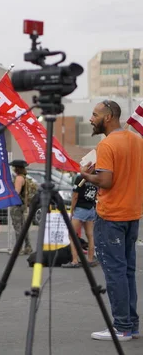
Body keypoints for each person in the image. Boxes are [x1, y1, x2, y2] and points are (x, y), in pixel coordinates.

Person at [80, 100, 143, 341]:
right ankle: (131, 324)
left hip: (111, 215)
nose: (91, 119)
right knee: (127, 270)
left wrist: (87, 175)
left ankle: (121, 327)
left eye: (95, 115)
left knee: (115, 272)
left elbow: (106, 181)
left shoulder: (107, 144)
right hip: (132, 214)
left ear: (108, 118)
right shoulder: (137, 140)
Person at [61, 173, 98, 268]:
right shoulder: (95, 178)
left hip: (80, 209)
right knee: (90, 235)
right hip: (91, 208)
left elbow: (75, 195)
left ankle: (74, 260)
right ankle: (90, 260)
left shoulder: (81, 178)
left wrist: (72, 211)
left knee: (72, 235)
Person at [9, 160, 33, 255]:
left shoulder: (19, 178)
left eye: (14, 167)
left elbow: (16, 192)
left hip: (17, 205)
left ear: (16, 168)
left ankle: (18, 249)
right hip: (22, 204)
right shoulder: (24, 177)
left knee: (18, 228)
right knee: (23, 227)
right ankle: (28, 246)